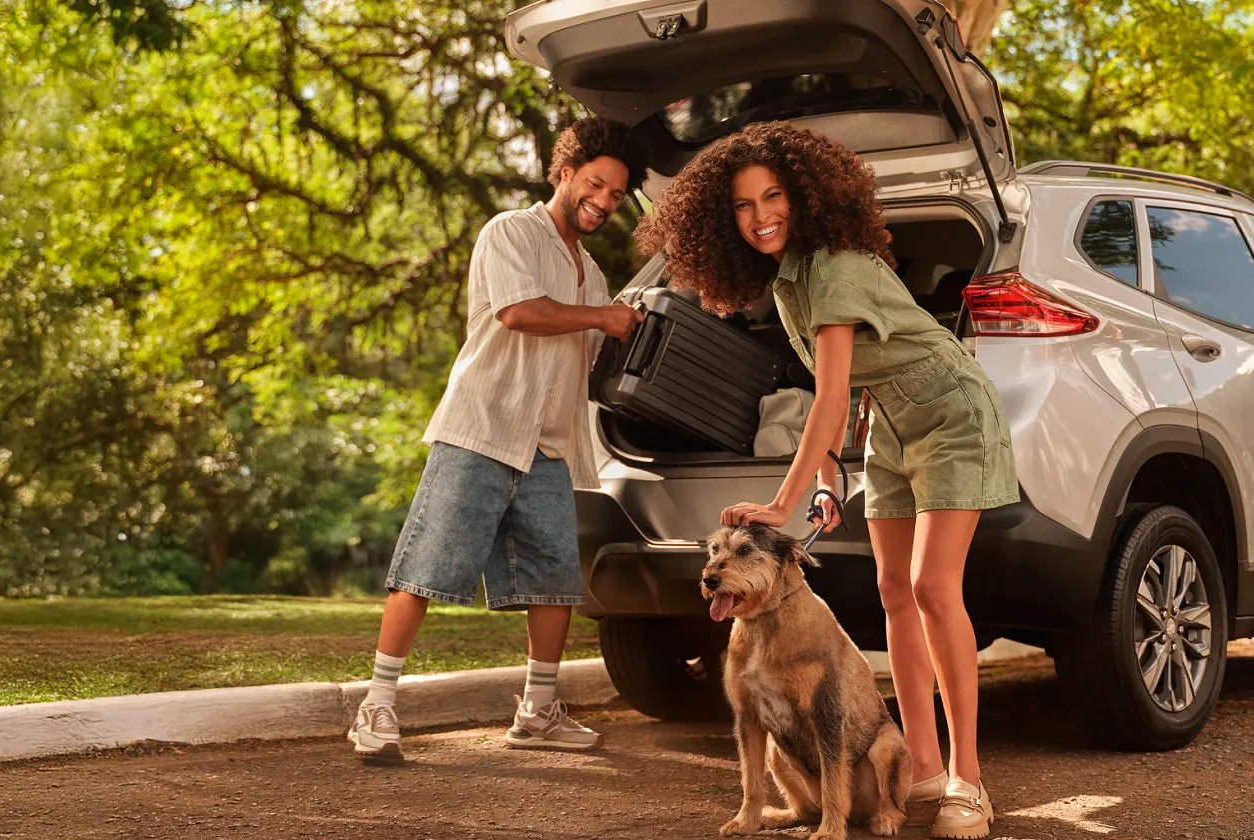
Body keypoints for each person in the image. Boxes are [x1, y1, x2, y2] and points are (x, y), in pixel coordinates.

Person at [633, 121, 1017, 840]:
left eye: (773, 197)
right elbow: (841, 396)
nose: (760, 217)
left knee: (934, 589)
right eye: (743, 207)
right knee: (893, 594)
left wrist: (781, 502)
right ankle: (925, 771)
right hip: (892, 429)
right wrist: (826, 480)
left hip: (951, 414)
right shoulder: (787, 282)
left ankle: (969, 781)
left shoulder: (836, 263)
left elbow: (834, 394)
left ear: (805, 198)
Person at [347, 117, 649, 761]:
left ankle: (537, 713)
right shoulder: (509, 232)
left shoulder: (591, 274)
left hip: (546, 447)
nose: (603, 200)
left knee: (554, 582)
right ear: (563, 173)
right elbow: (520, 313)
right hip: (481, 429)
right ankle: (376, 706)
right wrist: (604, 316)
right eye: (595, 184)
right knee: (425, 570)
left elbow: (589, 355)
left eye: (617, 195)